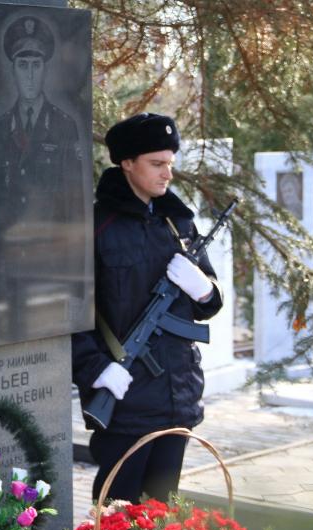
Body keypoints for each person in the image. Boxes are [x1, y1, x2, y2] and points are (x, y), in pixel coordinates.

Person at [72, 113, 223, 503]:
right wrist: (96, 369)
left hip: (179, 396)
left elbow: (209, 305)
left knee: (164, 511)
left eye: (170, 164)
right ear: (126, 163)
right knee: (118, 509)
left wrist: (202, 288)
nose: (167, 174)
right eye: (157, 164)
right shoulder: (95, 226)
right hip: (125, 397)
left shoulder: (177, 223)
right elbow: (69, 310)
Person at [0, 15, 84, 344]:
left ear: (45, 69)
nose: (28, 74)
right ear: (12, 69)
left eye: (35, 65)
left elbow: (75, 210)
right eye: (22, 64)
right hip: (10, 274)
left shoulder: (65, 127)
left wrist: (74, 288)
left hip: (50, 270)